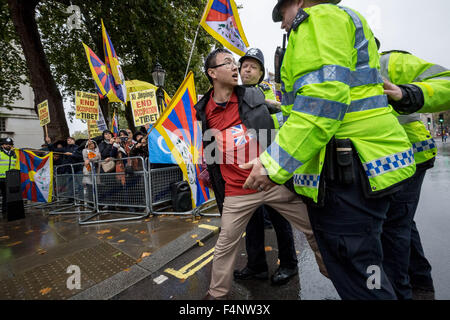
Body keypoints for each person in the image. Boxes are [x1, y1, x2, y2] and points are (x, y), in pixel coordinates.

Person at [243, 0, 417, 299]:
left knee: (361, 280)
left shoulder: (318, 18)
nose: (283, 24)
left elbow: (323, 100)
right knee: (372, 270)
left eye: (282, 15)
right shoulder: (344, 17)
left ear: (298, 2)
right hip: (371, 169)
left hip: (350, 176)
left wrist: (274, 164)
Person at [195, 48, 325, 300]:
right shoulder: (205, 111)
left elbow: (279, 113)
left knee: (313, 228)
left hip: (271, 182)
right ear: (212, 73)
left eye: (237, 63)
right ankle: (216, 294)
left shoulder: (252, 96)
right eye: (228, 63)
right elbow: (212, 150)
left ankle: (338, 275)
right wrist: (209, 169)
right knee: (225, 245)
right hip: (236, 191)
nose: (236, 68)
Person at [380, 48, 450, 299]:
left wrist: (407, 93)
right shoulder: (347, 71)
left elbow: (446, 81)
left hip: (411, 155)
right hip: (392, 160)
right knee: (402, 222)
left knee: (393, 226)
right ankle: (421, 282)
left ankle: (401, 292)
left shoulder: (390, 61)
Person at [233, 48, 300, 285]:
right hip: (247, 168)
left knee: (280, 218)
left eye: (253, 66)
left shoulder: (271, 95)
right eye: (244, 66)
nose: (246, 70)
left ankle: (289, 264)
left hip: (272, 168)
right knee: (251, 221)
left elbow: (285, 128)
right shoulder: (235, 95)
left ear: (261, 72)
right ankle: (256, 266)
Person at [0, 138, 17, 218]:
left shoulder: (13, 154)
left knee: (6, 196)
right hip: (0, 178)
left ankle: (4, 212)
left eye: (10, 144)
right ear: (2, 145)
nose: (8, 145)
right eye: (6, 144)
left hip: (8, 178)